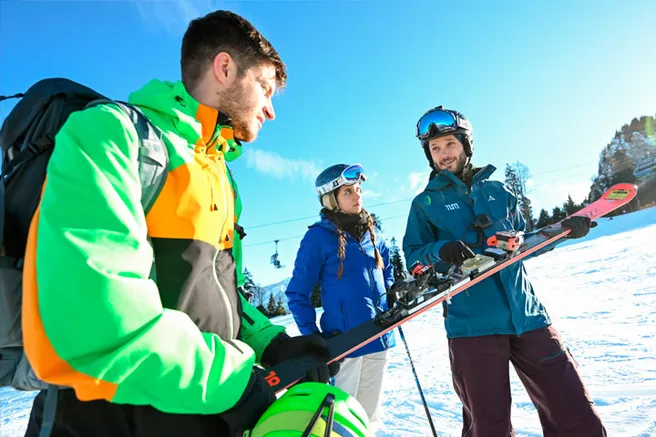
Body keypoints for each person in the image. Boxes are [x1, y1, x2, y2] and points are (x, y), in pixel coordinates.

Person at [23, 10, 338, 437]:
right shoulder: (110, 135)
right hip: (104, 420)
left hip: (203, 416)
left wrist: (273, 344)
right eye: (265, 88)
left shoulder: (220, 175)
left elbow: (214, 290)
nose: (271, 110)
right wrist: (231, 380)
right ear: (224, 68)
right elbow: (100, 325)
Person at [402, 106, 607, 437]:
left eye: (449, 144)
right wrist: (441, 250)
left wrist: (565, 230)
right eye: (435, 148)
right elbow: (413, 255)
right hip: (472, 325)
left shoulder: (501, 192)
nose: (443, 154)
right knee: (489, 426)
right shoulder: (425, 204)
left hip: (528, 316)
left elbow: (523, 244)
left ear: (466, 145)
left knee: (574, 410)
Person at [285, 163, 396, 428]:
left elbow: (388, 271)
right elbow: (297, 293)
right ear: (331, 199)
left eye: (358, 189)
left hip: (379, 338)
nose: (357, 195)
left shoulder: (374, 233)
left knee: (367, 419)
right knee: (340, 422)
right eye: (348, 191)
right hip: (345, 344)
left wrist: (391, 297)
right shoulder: (318, 238)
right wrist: (313, 338)